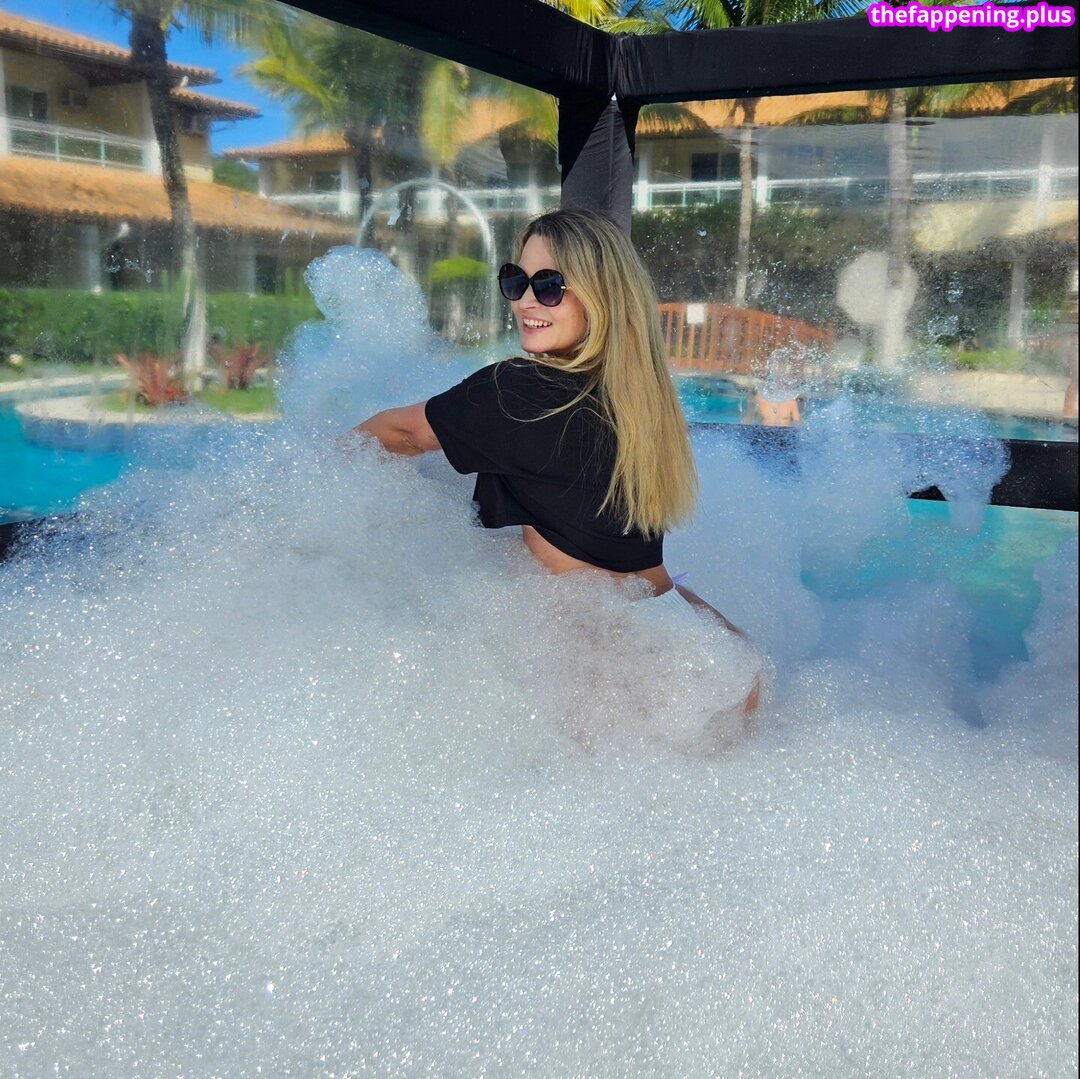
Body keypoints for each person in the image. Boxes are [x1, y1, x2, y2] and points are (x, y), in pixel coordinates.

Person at [353, 208, 761, 720]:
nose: (525, 300)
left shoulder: (519, 391)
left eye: (549, 285)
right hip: (698, 649)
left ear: (601, 294)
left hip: (614, 672)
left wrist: (304, 479)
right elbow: (639, 576)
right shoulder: (641, 401)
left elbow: (397, 435)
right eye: (516, 280)